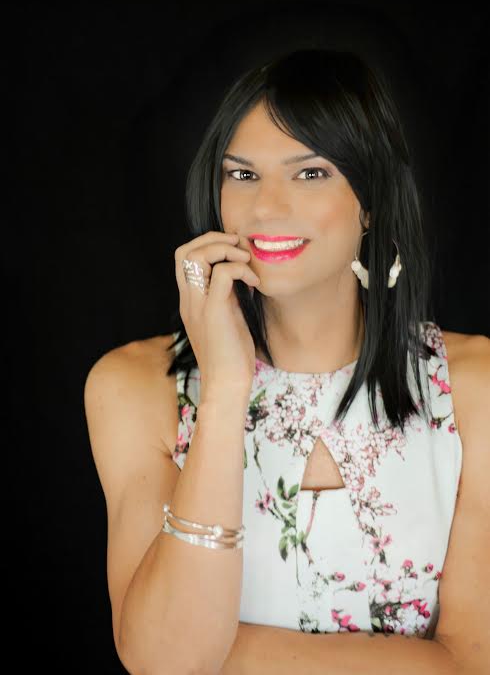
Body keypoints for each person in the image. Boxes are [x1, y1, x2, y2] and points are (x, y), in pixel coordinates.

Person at [84, 48, 489, 675]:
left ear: (371, 202)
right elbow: (163, 659)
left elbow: (468, 663)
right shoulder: (134, 389)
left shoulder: (472, 388)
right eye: (243, 174)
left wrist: (221, 651)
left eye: (310, 173)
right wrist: (224, 388)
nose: (266, 207)